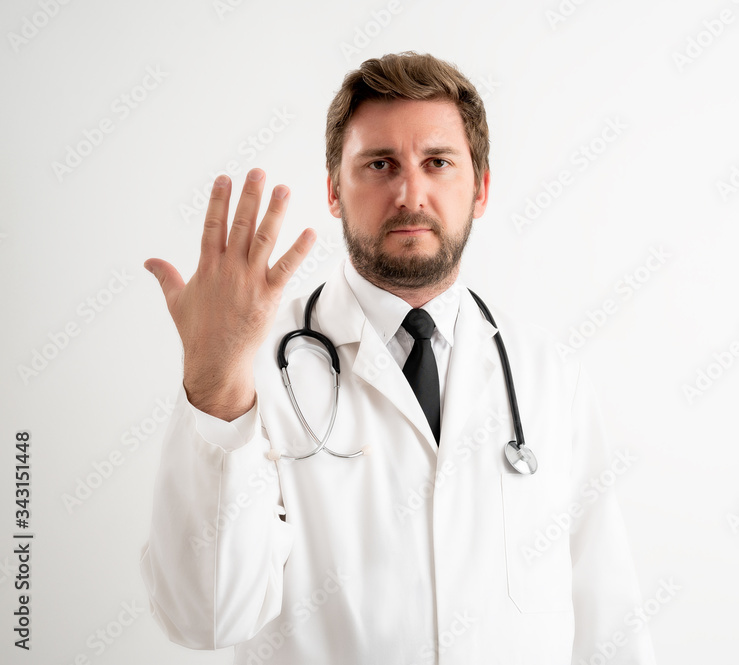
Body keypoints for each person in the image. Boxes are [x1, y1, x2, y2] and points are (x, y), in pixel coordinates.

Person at [139, 51, 657, 664]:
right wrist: (213, 377)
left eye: (437, 163)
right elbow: (206, 616)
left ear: (481, 188)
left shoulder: (547, 375)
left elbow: (608, 620)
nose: (410, 193)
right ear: (334, 190)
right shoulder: (251, 373)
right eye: (379, 164)